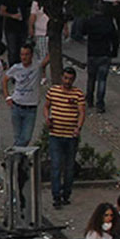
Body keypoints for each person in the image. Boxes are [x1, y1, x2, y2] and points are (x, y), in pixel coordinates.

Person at [45, 67, 85, 208]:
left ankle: (66, 193)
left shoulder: (78, 94)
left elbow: (81, 112)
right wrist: (47, 119)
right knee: (55, 166)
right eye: (65, 78)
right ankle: (56, 196)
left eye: (70, 79)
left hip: (70, 136)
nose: (67, 81)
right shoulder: (53, 91)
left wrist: (78, 128)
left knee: (69, 167)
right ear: (62, 77)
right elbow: (46, 106)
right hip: (55, 134)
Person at [4, 44, 45, 147]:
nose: (24, 57)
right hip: (16, 106)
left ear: (31, 55)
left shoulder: (37, 66)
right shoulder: (16, 68)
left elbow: (47, 58)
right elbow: (5, 79)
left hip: (31, 108)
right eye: (22, 54)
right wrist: (7, 96)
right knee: (18, 136)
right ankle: (17, 160)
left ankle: (12, 155)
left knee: (26, 137)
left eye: (27, 54)